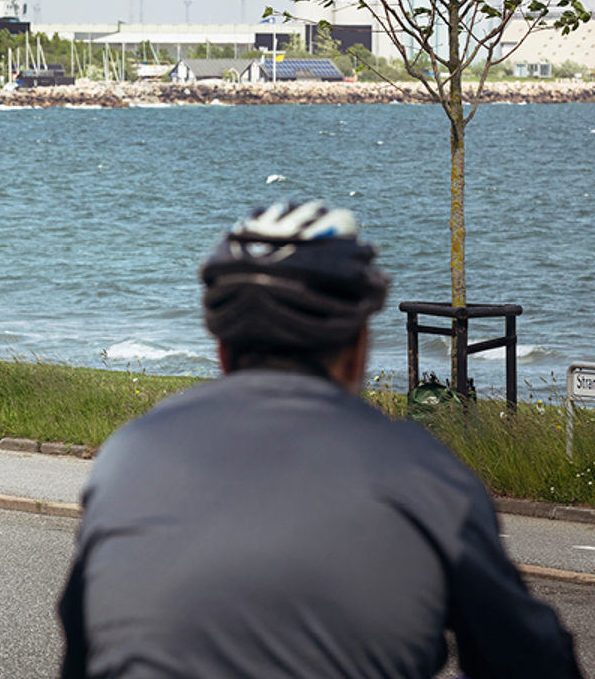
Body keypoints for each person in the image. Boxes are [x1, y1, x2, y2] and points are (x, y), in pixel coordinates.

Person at [57, 200, 581, 679]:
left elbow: (82, 650)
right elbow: (532, 662)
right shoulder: (422, 476)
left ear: (222, 351)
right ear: (356, 349)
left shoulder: (127, 457)